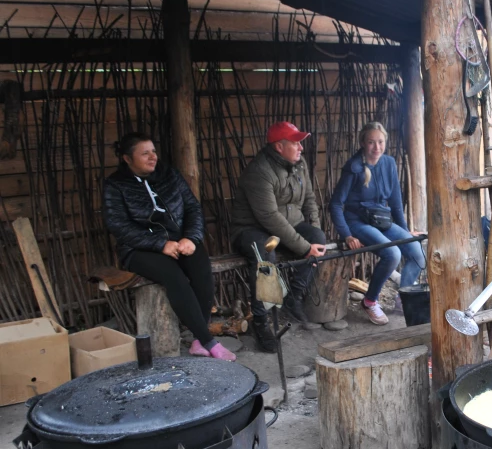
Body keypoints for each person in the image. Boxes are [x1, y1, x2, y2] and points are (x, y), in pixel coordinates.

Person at [102, 132, 236, 361]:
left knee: (201, 267)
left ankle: (197, 341)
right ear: (127, 158)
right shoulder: (116, 185)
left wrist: (191, 239)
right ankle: (209, 341)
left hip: (178, 242)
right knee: (173, 276)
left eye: (153, 151)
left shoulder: (169, 175)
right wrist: (159, 244)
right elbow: (118, 226)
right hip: (137, 249)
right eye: (145, 153)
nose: (152, 157)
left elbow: (193, 208)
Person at [231, 122, 328, 352]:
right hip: (252, 229)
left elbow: (310, 199)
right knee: (266, 253)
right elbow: (269, 216)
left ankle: (293, 296)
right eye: (295, 143)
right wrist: (304, 248)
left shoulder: (298, 164)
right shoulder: (259, 172)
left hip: (287, 226)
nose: (301, 148)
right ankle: (261, 322)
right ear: (278, 146)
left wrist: (312, 230)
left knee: (319, 237)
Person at [329, 121, 426, 325]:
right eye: (371, 142)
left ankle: (404, 295)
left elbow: (396, 203)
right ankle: (370, 301)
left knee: (416, 252)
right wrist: (347, 234)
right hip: (358, 223)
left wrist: (406, 232)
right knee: (392, 253)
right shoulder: (354, 168)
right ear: (363, 143)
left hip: (382, 220)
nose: (377, 147)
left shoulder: (388, 163)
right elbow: (336, 204)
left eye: (380, 142)